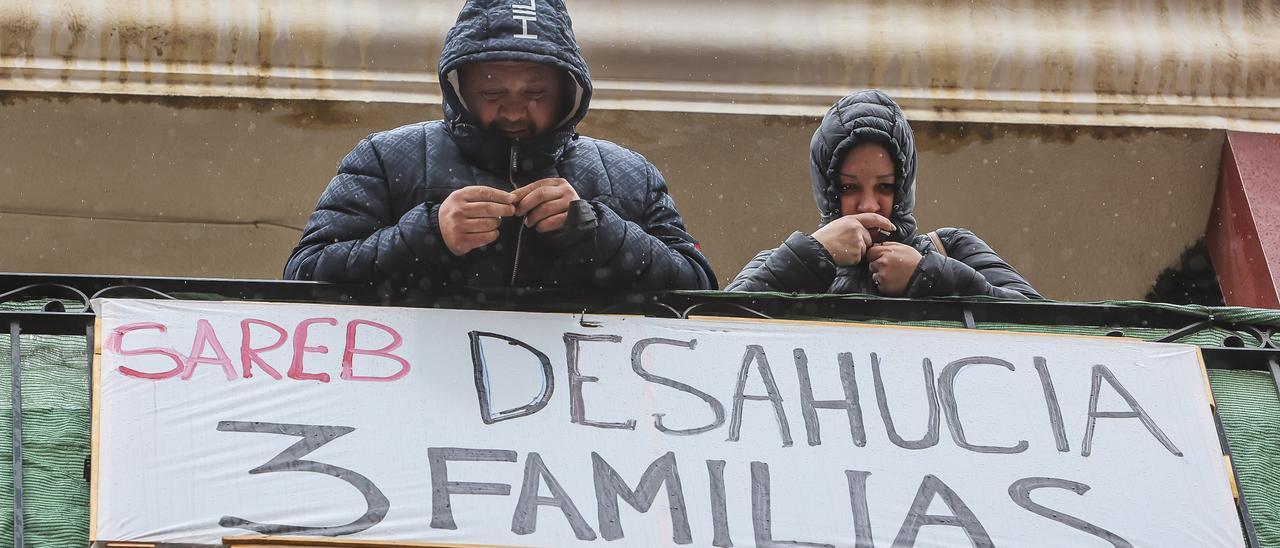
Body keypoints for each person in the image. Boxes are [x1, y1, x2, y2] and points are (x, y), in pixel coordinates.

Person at [284, 0, 715, 293]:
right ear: (461, 89)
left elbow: (699, 286)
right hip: (422, 400)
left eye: (535, 94)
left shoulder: (629, 173)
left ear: (567, 94)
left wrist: (597, 232)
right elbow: (304, 274)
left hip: (581, 408)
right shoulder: (384, 155)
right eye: (492, 93)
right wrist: (429, 235)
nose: (512, 112)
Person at [728, 90, 1039, 299]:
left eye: (885, 187)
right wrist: (812, 256)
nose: (868, 205)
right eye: (849, 187)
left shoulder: (952, 249)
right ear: (828, 190)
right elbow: (712, 328)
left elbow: (1046, 330)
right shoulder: (786, 261)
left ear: (904, 187)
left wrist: (929, 275)